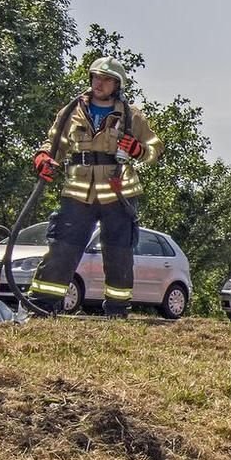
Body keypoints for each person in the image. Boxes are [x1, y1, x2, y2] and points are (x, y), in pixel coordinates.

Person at [25, 57, 161, 317]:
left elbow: (155, 148)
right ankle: (42, 306)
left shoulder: (131, 115)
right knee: (63, 247)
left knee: (118, 252)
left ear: (117, 84)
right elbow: (54, 143)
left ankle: (117, 311)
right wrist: (43, 156)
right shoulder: (72, 110)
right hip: (78, 191)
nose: (99, 83)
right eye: (96, 77)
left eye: (106, 79)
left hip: (118, 192)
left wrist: (139, 150)